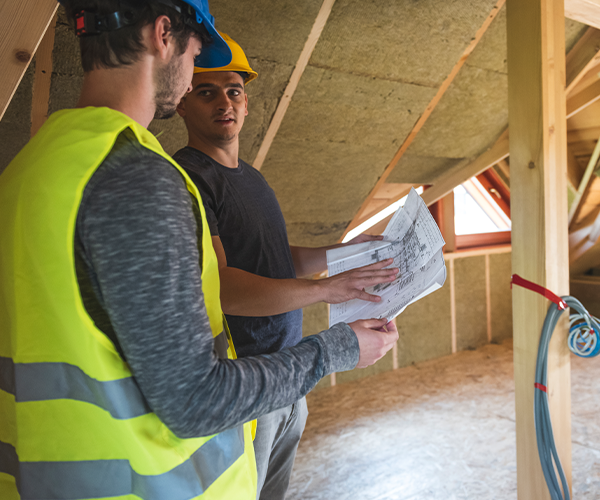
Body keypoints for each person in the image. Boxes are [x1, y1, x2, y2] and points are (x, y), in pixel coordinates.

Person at [0, 1, 399, 499]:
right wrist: (338, 349)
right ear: (163, 35)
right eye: (195, 54)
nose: (191, 74)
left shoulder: (31, 164)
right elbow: (196, 401)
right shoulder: (139, 178)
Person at [174, 33, 397, 500]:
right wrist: (326, 290)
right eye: (206, 91)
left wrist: (345, 254)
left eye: (233, 90)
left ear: (248, 103)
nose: (223, 102)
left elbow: (281, 259)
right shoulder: (191, 176)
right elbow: (224, 288)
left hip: (289, 372)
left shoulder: (250, 177)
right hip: (245, 378)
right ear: (181, 104)